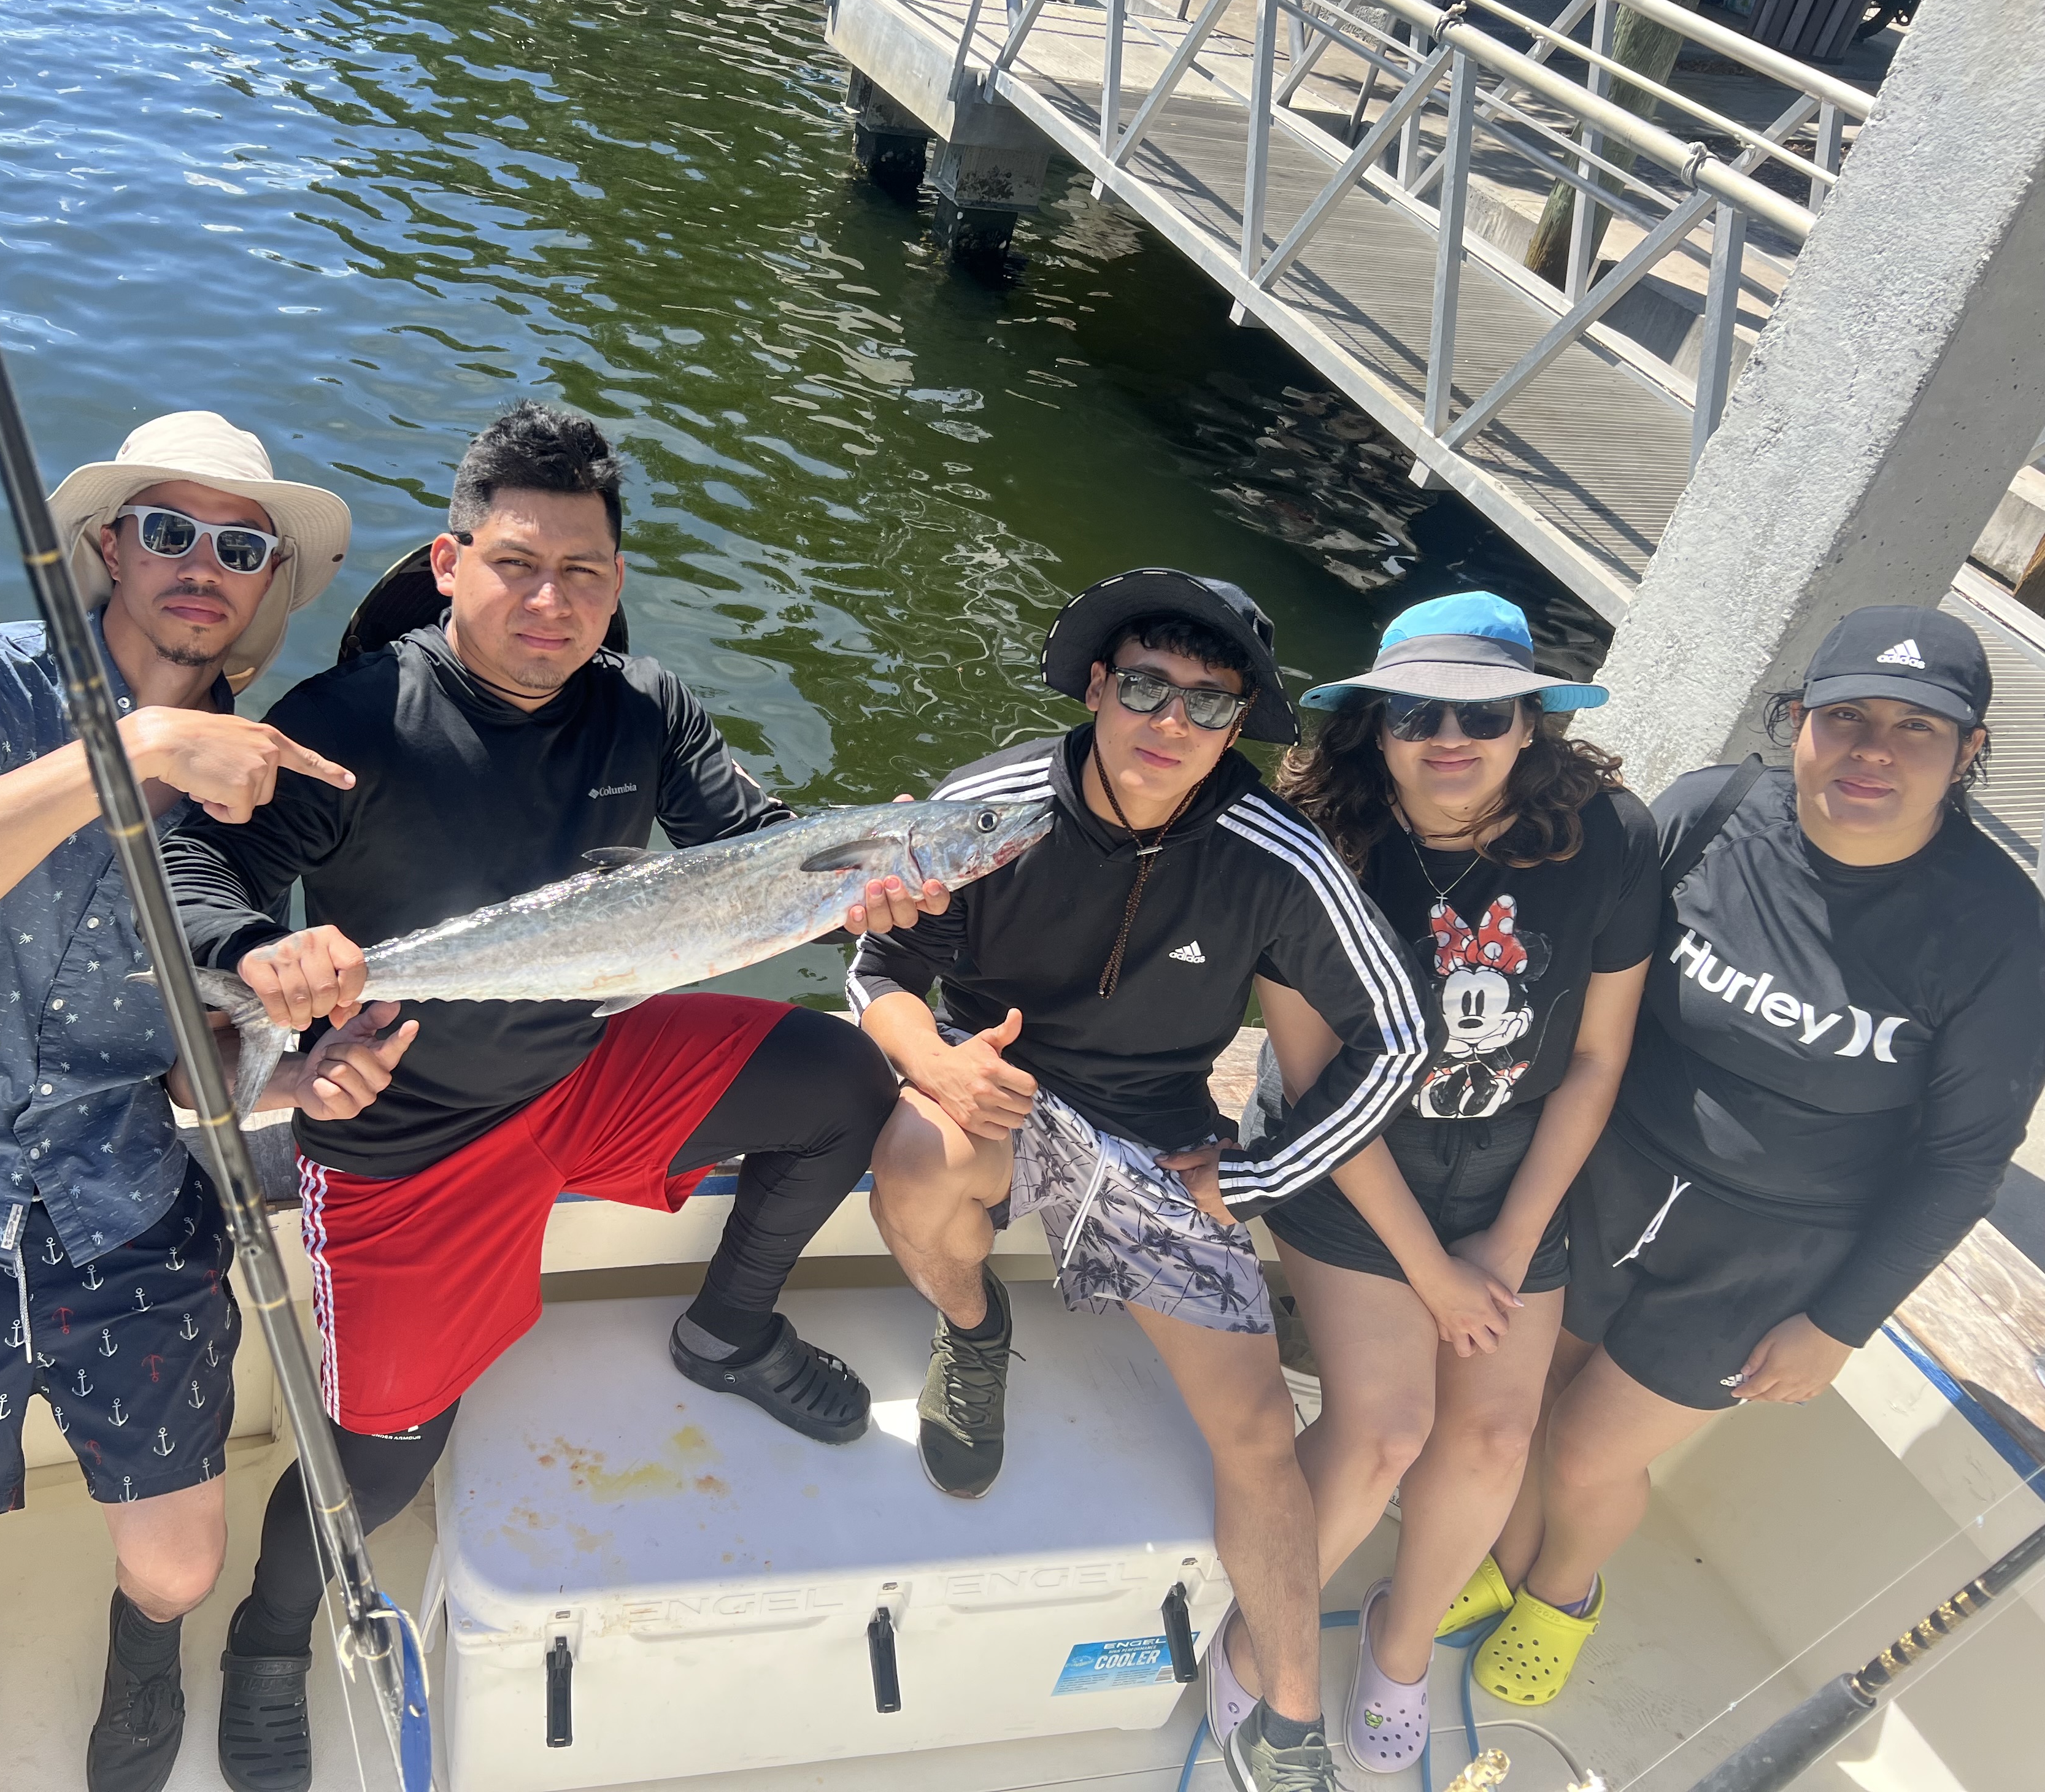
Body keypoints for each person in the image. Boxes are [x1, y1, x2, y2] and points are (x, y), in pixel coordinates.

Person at [161, 400, 945, 1792]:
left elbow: (759, 855)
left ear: (619, 585)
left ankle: (729, 1332)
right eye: (517, 563)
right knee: (391, 1460)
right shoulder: (348, 724)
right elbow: (194, 875)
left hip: (580, 1071)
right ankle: (273, 1637)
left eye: (583, 573)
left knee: (839, 1075)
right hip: (405, 1134)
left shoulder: (646, 709)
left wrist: (864, 884)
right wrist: (256, 956)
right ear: (452, 561)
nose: (551, 600)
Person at [0, 413, 375, 1792]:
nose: (201, 566)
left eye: (241, 547)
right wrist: (138, 752)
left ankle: (149, 1653)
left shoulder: (257, 782)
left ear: (265, 584)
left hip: (121, 1186)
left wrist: (272, 1076)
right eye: (168, 530)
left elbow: (190, 1044)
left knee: (180, 1562)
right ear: (108, 545)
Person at [851, 568, 1435, 1792]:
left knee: (1264, 1434)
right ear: (1099, 688)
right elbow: (876, 963)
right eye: (1148, 689)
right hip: (995, 1089)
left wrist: (1263, 1168)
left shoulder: (1276, 854)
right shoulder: (990, 806)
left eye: (1210, 706)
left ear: (1240, 728)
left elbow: (1404, 1037)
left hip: (1160, 1132)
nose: (1170, 725)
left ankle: (1282, 1718)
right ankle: (971, 1325)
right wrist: (937, 1064)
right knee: (916, 1155)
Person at [1477, 603, 2045, 1707]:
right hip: (1607, 1176)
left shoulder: (2000, 931)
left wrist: (1840, 1322)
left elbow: (1966, 1158)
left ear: (1970, 752)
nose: (1873, 750)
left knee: (1594, 1449)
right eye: (1846, 718)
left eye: (1917, 729)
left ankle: (1562, 1592)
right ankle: (1496, 1566)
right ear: (1798, 723)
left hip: (1773, 1246)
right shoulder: (1711, 812)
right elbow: (1591, 987)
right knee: (1526, 1397)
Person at [1252, 594, 1655, 1772]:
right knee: (1384, 1432)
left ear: (1532, 725)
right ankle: (1263, 1642)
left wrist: (1504, 1250)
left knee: (1491, 1439)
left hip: (1512, 1177)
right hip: (1348, 1163)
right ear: (1374, 728)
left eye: (1485, 712)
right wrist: (1434, 1275)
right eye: (1417, 711)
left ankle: (1402, 1647)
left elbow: (1596, 1058)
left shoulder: (1611, 839)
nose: (1451, 737)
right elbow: (1319, 1086)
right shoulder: (1313, 841)